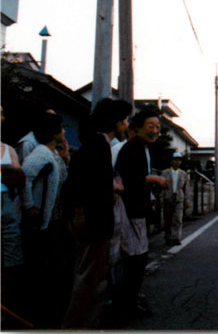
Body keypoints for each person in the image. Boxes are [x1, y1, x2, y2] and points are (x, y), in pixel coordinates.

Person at [61, 98, 132, 329]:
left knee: (91, 277)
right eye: (125, 120)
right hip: (94, 222)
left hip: (91, 219)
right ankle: (78, 326)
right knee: (90, 279)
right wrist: (116, 189)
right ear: (116, 122)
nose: (127, 124)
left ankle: (84, 324)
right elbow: (87, 186)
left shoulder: (94, 144)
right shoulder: (99, 147)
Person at [20, 111, 71, 327]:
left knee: (52, 272)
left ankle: (48, 316)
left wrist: (66, 154)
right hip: (43, 225)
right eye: (61, 127)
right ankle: (40, 319)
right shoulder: (40, 154)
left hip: (53, 221)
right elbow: (25, 177)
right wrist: (29, 205)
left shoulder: (53, 153)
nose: (65, 131)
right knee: (43, 272)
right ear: (55, 131)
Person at [115, 109, 168, 319]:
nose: (155, 131)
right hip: (131, 210)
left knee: (136, 258)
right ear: (136, 127)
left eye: (157, 127)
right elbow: (128, 180)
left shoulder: (141, 148)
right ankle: (127, 305)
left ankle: (129, 301)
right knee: (135, 258)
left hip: (137, 208)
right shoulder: (132, 149)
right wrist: (154, 180)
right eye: (150, 126)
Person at [1, 107, 25, 325]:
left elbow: (19, 174)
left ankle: (4, 312)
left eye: (1, 112)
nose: (0, 116)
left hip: (6, 209)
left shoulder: (9, 149)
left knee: (10, 262)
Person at [161, 153, 190, 246]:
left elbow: (187, 188)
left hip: (179, 198)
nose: (177, 161)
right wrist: (161, 198)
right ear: (172, 161)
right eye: (175, 159)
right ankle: (168, 237)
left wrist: (187, 200)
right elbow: (161, 187)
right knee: (167, 218)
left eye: (179, 160)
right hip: (167, 197)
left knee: (178, 218)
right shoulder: (165, 172)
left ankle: (176, 237)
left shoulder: (183, 173)